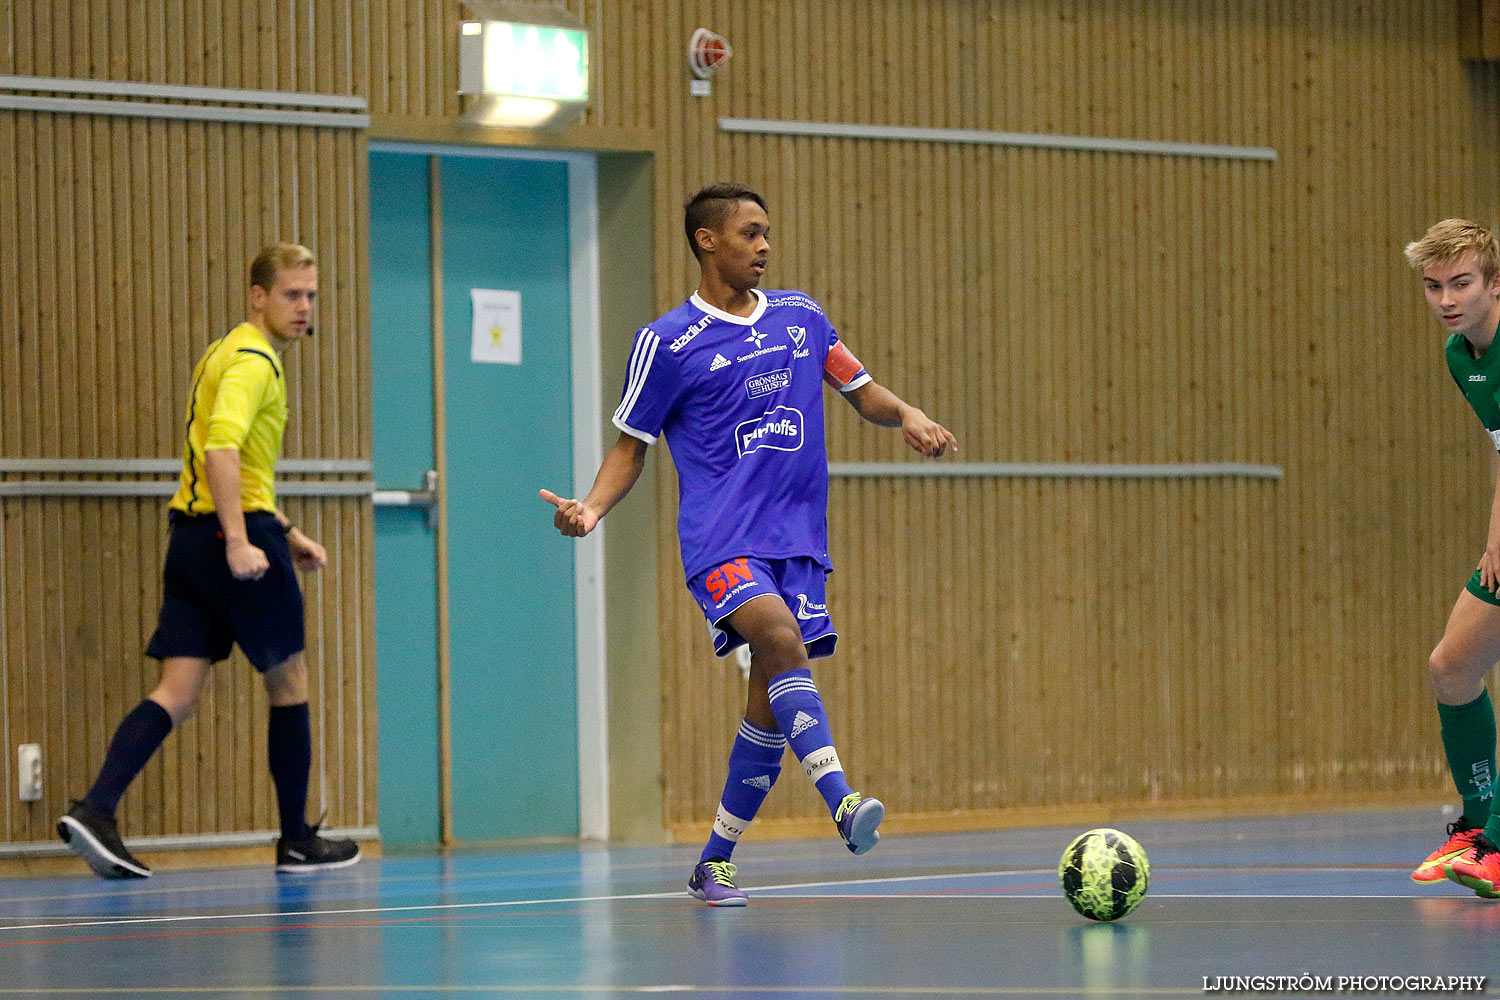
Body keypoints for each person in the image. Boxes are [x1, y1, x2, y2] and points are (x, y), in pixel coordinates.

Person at [541, 182, 957, 905]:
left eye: (767, 234)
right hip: (721, 538)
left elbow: (862, 392)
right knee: (779, 637)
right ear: (707, 240)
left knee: (771, 685)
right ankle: (842, 800)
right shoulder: (667, 342)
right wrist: (592, 509)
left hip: (797, 539)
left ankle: (715, 859)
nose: (764, 246)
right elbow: (630, 447)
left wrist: (910, 415)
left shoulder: (803, 317)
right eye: (750, 234)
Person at [57, 243, 360, 878]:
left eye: (311, 295)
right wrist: (244, 539)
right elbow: (222, 452)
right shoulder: (254, 362)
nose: (305, 307)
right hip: (228, 538)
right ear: (258, 297)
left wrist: (287, 528)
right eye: (291, 295)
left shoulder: (224, 352)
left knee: (179, 688)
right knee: (289, 682)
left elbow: (231, 466)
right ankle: (297, 839)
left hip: (191, 539)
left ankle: (97, 809)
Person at [1404, 218, 1500, 897]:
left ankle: (1496, 850)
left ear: (1495, 284)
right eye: (1434, 286)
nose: (1447, 299)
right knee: (1451, 667)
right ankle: (1478, 820)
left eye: (1462, 283)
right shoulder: (1458, 355)